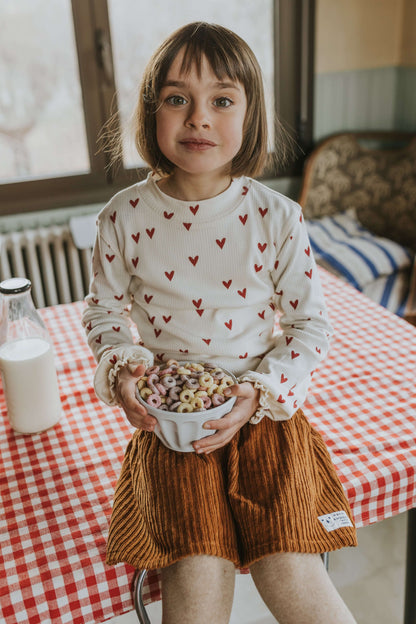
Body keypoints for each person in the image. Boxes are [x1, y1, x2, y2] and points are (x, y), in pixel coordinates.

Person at [83, 22, 358, 624]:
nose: (198, 118)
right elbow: (104, 313)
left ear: (250, 113)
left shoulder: (278, 218)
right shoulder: (122, 218)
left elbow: (310, 326)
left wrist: (261, 391)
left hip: (262, 418)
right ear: (152, 113)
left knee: (291, 573)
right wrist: (122, 369)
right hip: (173, 430)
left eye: (222, 100)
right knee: (196, 587)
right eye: (177, 98)